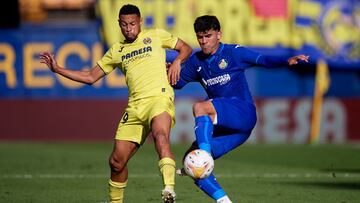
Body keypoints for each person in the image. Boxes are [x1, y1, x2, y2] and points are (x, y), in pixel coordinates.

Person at [40, 4, 192, 203]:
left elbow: (186, 48)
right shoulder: (117, 50)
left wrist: (178, 61)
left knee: (160, 136)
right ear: (119, 25)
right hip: (135, 107)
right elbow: (90, 77)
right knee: (116, 163)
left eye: (132, 24)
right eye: (124, 25)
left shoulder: (156, 35)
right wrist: (58, 69)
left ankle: (169, 189)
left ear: (140, 22)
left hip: (159, 98)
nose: (129, 28)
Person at [169, 15, 309, 203]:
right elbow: (176, 83)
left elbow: (263, 59)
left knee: (200, 108)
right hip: (234, 131)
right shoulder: (196, 61)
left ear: (219, 34)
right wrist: (169, 69)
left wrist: (286, 60)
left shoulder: (234, 53)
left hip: (243, 112)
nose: (203, 41)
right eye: (200, 37)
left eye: (208, 36)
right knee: (191, 163)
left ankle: (204, 155)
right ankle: (224, 201)